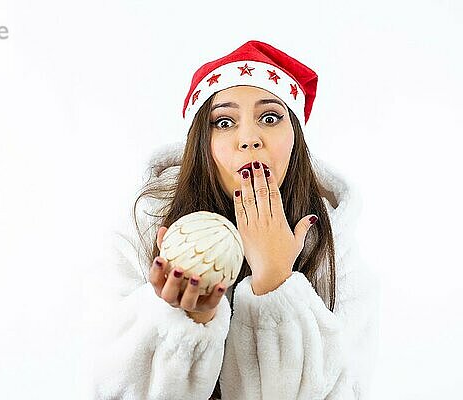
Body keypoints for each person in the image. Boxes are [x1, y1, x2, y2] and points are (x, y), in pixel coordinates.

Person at [93, 40, 380, 399]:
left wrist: (275, 282)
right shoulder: (143, 229)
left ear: (295, 139)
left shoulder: (338, 252)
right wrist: (183, 323)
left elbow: (345, 392)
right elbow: (108, 387)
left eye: (271, 118)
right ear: (202, 143)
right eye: (224, 122)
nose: (248, 139)